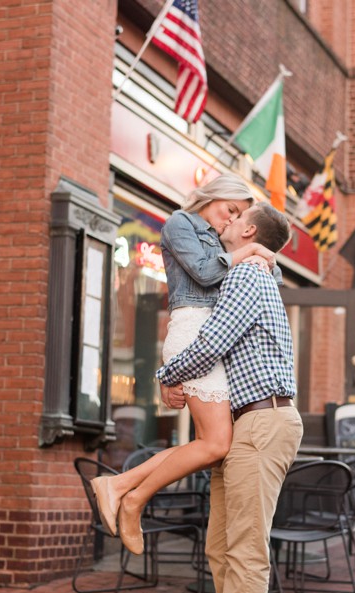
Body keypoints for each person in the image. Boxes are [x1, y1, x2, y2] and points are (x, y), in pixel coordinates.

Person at [156, 202, 304, 593]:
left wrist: (164, 376)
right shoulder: (252, 270)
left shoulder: (248, 275)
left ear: (247, 229)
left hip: (262, 421)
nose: (220, 224)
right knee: (221, 547)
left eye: (231, 218)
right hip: (245, 424)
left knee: (244, 549)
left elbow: (213, 341)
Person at [92, 174, 279, 554]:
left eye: (240, 216)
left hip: (211, 338)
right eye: (231, 209)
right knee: (215, 444)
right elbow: (207, 273)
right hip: (193, 330)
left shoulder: (225, 238)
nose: (231, 220)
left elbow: (268, 275)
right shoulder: (181, 224)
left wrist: (263, 255)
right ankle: (133, 499)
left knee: (210, 443)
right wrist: (251, 252)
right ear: (214, 197)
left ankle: (118, 486)